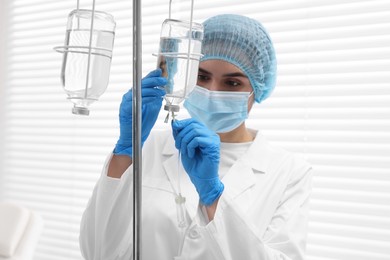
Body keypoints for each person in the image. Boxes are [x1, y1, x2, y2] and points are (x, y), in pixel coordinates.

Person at [79, 14, 312, 260]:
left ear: (258, 88)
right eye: (201, 76)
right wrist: (127, 149)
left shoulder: (289, 172)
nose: (211, 92)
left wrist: (213, 197)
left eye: (232, 83)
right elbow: (96, 252)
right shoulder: (148, 148)